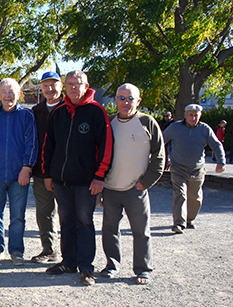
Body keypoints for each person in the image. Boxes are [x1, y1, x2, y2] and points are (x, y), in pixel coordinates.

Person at [42, 70, 113, 286]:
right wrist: (47, 174)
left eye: (78, 83)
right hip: (61, 181)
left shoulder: (96, 111)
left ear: (86, 85)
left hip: (86, 182)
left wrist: (100, 176)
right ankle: (69, 262)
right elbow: (48, 146)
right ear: (65, 86)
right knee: (67, 222)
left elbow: (106, 146)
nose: (74, 87)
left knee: (84, 222)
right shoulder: (59, 113)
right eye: (70, 84)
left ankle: (86, 267)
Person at [101, 83, 164, 285]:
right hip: (111, 188)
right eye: (121, 98)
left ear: (138, 101)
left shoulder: (147, 122)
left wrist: (145, 183)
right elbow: (100, 153)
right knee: (109, 229)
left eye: (130, 98)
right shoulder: (109, 123)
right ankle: (112, 265)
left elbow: (159, 156)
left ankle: (143, 269)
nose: (125, 102)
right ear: (115, 100)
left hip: (135, 189)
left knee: (141, 231)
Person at [0, 78, 37, 266]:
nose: (8, 95)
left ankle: (17, 251)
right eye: (4, 92)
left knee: (17, 216)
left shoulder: (27, 116)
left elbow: (32, 144)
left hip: (19, 175)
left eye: (12, 92)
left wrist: (27, 168)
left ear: (18, 94)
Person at [163, 104, 226, 233]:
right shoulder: (174, 128)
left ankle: (189, 219)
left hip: (197, 169)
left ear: (200, 116)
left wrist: (221, 162)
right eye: (190, 115)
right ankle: (179, 223)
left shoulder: (205, 129)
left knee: (195, 197)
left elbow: (217, 145)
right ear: (185, 115)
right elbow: (160, 141)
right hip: (178, 168)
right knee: (180, 194)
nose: (193, 118)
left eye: (196, 115)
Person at [30, 71, 65, 264]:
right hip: (41, 172)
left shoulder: (69, 108)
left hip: (65, 173)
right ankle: (49, 250)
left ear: (61, 86)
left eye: (53, 84)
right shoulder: (35, 111)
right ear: (41, 88)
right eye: (45, 85)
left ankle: (68, 253)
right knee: (44, 213)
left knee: (67, 214)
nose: (49, 89)